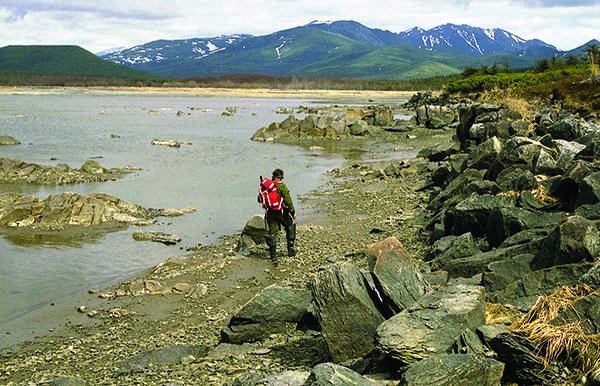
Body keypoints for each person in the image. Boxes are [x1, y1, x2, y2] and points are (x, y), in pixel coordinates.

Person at [259, 168, 297, 263]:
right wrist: (292, 213)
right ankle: (290, 249)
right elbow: (288, 201)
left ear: (273, 177)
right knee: (289, 226)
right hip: (281, 212)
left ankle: (273, 256)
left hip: (270, 213)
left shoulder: (266, 187)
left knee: (273, 232)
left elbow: (259, 200)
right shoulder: (281, 186)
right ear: (280, 178)